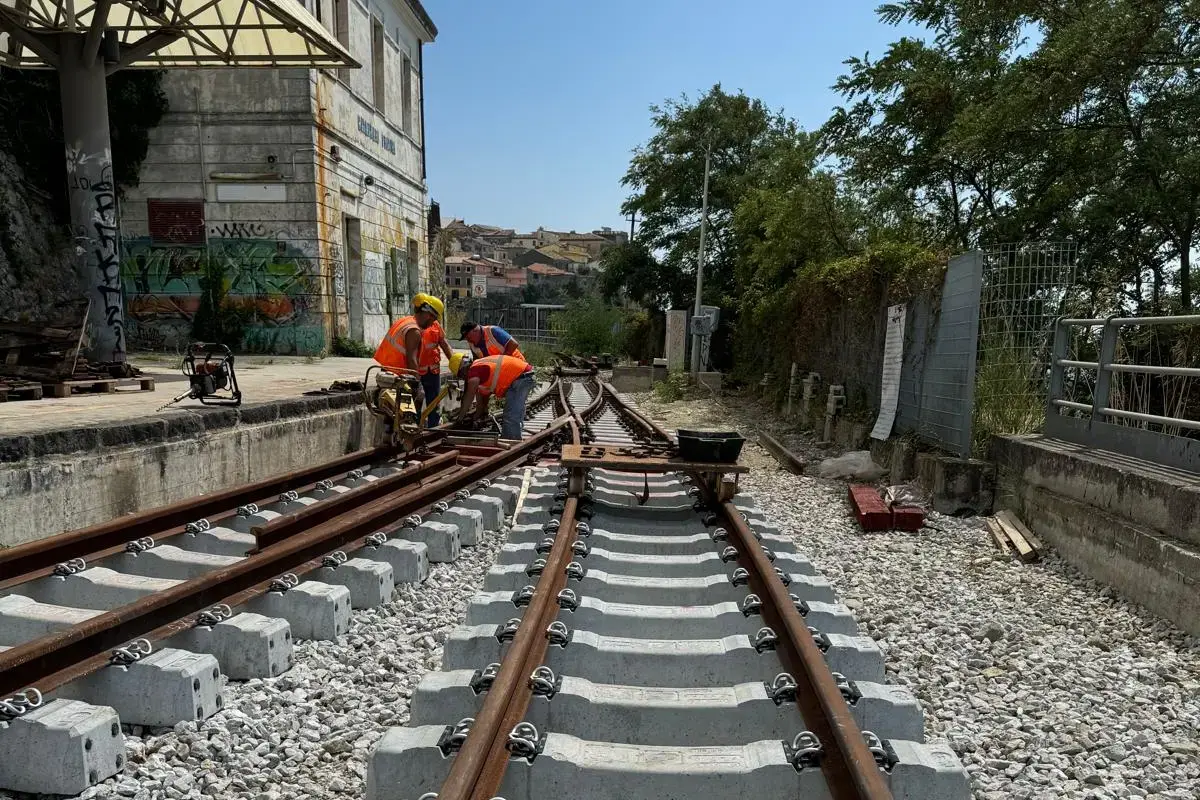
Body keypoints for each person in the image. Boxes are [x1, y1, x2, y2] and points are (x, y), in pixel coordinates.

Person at [373, 293, 445, 414]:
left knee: (391, 414)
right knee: (405, 414)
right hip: (398, 377)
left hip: (387, 372)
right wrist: (418, 384)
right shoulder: (414, 331)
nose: (432, 323)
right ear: (428, 314)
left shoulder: (404, 321)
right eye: (433, 319)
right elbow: (411, 359)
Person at [449, 352, 535, 440]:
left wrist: (460, 419)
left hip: (521, 378)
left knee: (510, 415)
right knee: (515, 411)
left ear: (462, 370)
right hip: (524, 375)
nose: (464, 378)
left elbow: (469, 397)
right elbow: (481, 405)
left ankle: (511, 441)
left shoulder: (474, 372)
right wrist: (475, 418)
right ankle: (513, 437)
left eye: (461, 375)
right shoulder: (480, 370)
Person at [418, 315, 454, 426]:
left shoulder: (435, 325)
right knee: (415, 402)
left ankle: (433, 428)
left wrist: (455, 363)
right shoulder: (414, 325)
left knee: (434, 403)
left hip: (433, 372)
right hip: (416, 372)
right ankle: (414, 427)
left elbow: (444, 344)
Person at [460, 321, 525, 361]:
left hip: (517, 363)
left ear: (475, 330)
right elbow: (476, 360)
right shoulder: (471, 343)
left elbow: (513, 344)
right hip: (500, 370)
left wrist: (501, 361)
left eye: (469, 337)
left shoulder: (492, 331)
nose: (468, 340)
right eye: (466, 338)